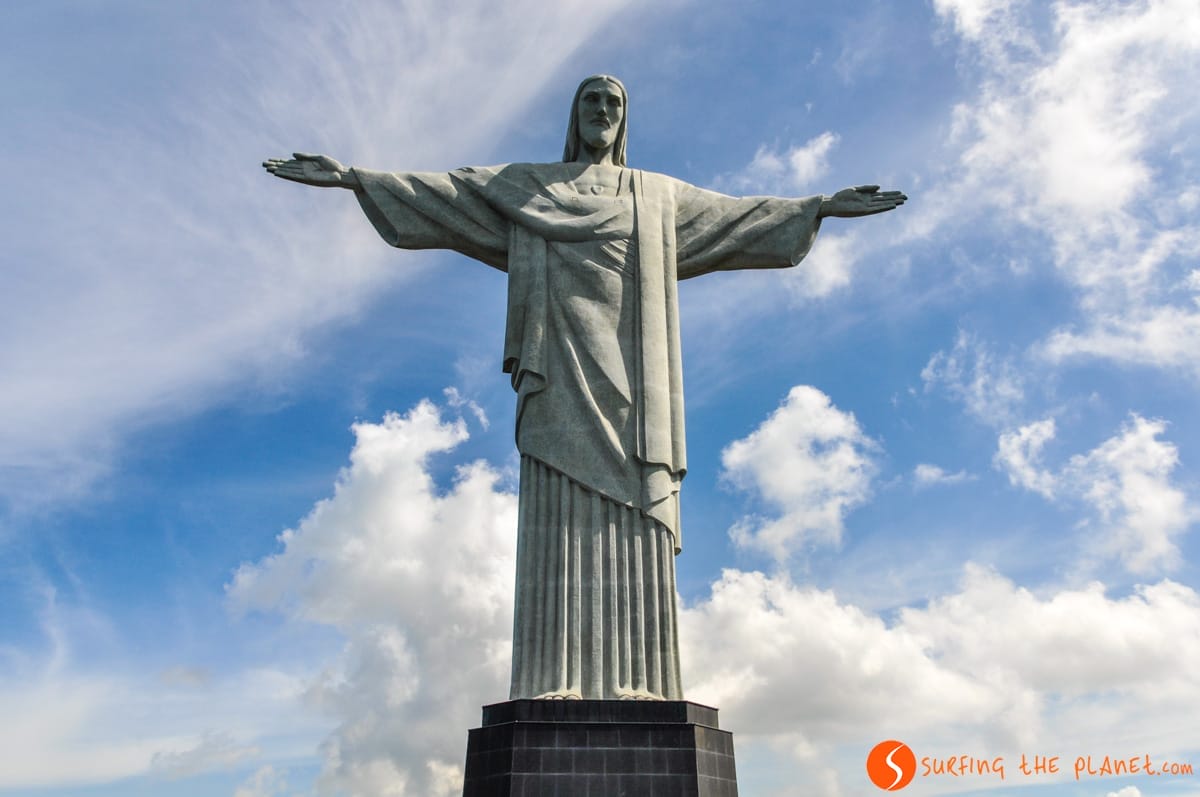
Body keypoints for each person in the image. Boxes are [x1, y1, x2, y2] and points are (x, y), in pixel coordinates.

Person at [264, 74, 905, 700]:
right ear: (574, 115)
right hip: (560, 371)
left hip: (637, 383)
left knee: (637, 508)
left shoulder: (656, 197)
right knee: (558, 506)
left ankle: (644, 685)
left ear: (625, 120)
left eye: (614, 102)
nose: (602, 109)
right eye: (591, 99)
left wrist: (817, 207)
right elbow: (447, 196)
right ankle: (552, 680)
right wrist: (354, 178)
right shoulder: (527, 188)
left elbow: (739, 218)